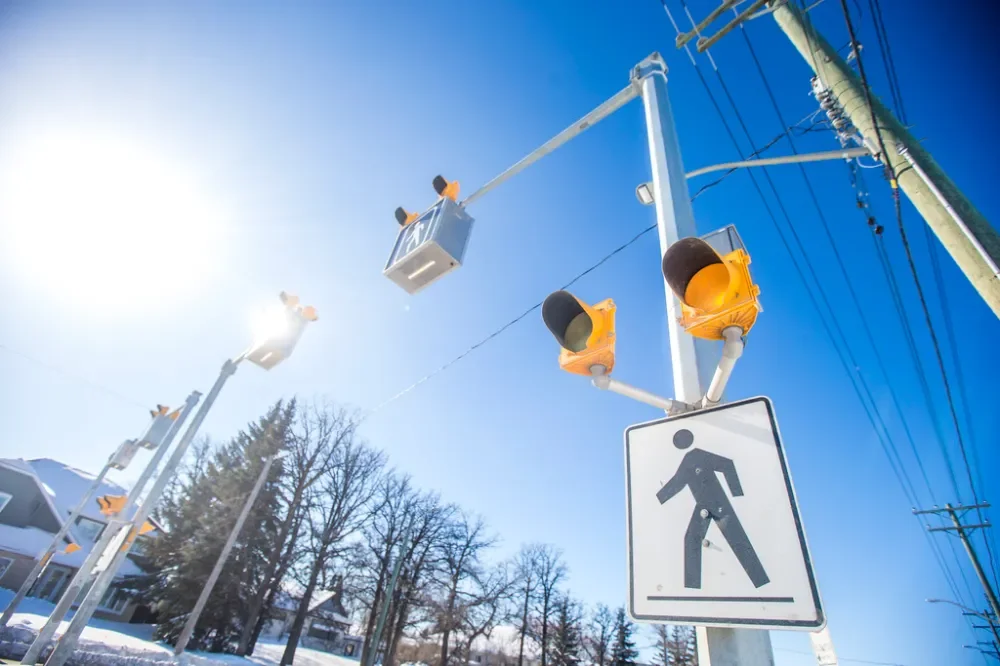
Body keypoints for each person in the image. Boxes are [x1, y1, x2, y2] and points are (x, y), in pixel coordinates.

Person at [656, 428, 769, 589]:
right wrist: (658, 498)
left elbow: (727, 465)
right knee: (691, 538)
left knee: (737, 539)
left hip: (719, 503)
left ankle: (761, 582)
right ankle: (692, 587)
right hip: (703, 505)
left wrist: (737, 493)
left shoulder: (697, 455)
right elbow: (677, 482)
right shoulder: (688, 460)